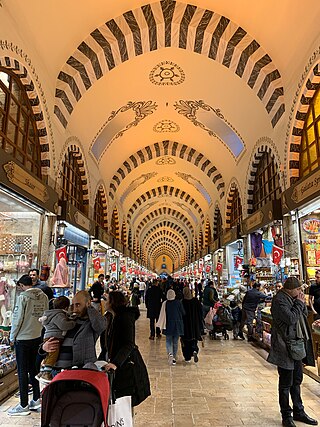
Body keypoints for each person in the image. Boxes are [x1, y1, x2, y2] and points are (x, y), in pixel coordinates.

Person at [267, 277, 317, 427]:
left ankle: (299, 411)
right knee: (285, 383)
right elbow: (291, 318)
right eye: (298, 290)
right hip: (284, 347)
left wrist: (300, 303)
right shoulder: (279, 300)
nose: (301, 292)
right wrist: (299, 303)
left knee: (297, 380)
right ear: (290, 289)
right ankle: (286, 415)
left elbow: (302, 314)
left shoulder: (293, 298)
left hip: (296, 346)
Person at [99, 291, 150, 407]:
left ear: (113, 302)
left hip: (126, 365)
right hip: (113, 363)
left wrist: (115, 363)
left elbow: (128, 344)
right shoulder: (109, 318)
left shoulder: (125, 318)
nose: (105, 302)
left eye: (107, 300)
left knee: (125, 402)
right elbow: (105, 344)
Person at [8, 274, 49, 416]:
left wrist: (12, 337)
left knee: (22, 371)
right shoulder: (43, 296)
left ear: (21, 285)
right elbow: (45, 316)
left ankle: (23, 404)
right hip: (37, 337)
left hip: (23, 340)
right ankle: (36, 400)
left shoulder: (23, 298)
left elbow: (17, 319)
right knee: (34, 370)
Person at [41, 291, 107, 371]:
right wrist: (44, 347)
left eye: (78, 305)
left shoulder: (91, 322)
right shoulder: (68, 320)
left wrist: (90, 308)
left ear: (88, 303)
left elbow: (101, 326)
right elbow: (50, 334)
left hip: (80, 370)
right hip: (58, 370)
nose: (75, 309)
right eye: (73, 305)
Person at [37, 296, 76, 382]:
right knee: (53, 354)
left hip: (50, 337)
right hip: (54, 337)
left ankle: (43, 371)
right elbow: (63, 325)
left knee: (50, 354)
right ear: (66, 307)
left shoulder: (51, 315)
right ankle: (46, 373)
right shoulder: (59, 315)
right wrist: (73, 323)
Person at [157, 289, 185, 365]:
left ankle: (170, 354)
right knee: (175, 341)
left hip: (168, 324)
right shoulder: (178, 303)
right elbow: (183, 312)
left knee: (168, 340)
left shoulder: (165, 303)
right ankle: (174, 357)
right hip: (177, 324)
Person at [181, 287, 203, 363]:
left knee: (186, 342)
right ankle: (194, 350)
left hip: (185, 325)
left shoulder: (182, 302)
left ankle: (187, 357)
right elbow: (201, 312)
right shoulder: (196, 301)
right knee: (194, 339)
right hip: (195, 324)